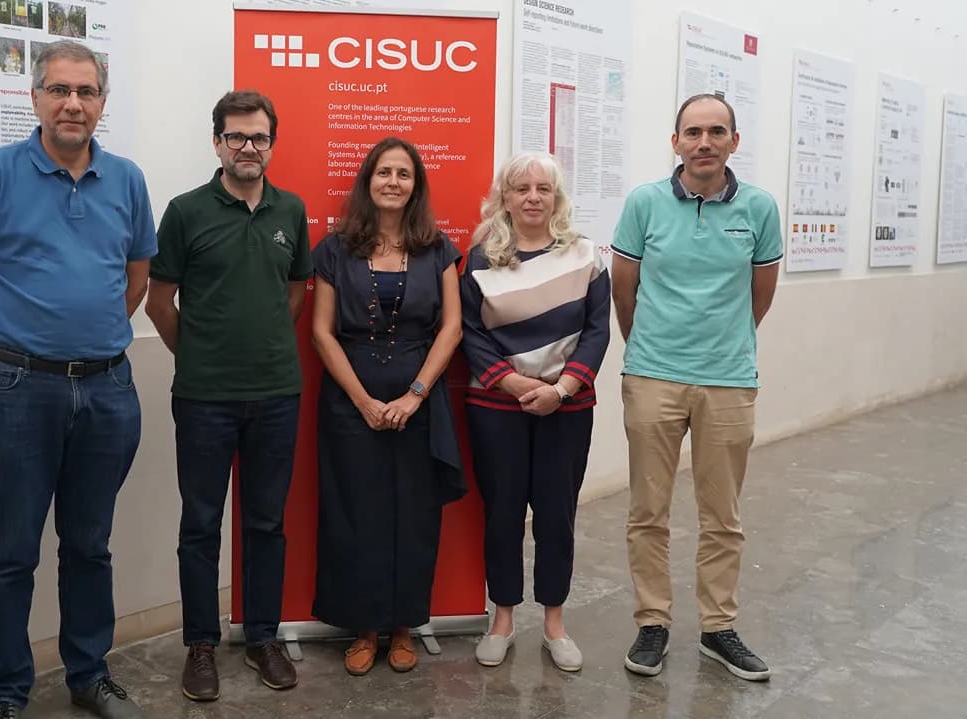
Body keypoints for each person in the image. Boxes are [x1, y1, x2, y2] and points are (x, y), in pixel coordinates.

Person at [0, 40, 153, 719]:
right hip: (16, 390)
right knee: (12, 550)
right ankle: (4, 690)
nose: (73, 103)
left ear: (102, 104)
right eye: (59, 90)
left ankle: (89, 674)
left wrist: (87, 338)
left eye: (86, 92)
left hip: (108, 390)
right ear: (34, 99)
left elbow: (136, 277)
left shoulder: (128, 181)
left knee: (90, 544)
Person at [145, 90, 310, 702]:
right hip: (204, 399)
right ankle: (201, 646)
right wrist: (201, 358)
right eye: (236, 136)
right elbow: (160, 303)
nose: (248, 147)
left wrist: (260, 345)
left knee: (266, 522)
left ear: (271, 143)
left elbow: (295, 294)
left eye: (259, 137)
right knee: (201, 524)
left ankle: (263, 637)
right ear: (217, 141)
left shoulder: (290, 211)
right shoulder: (186, 211)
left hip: (275, 394)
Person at [611, 93, 782, 682]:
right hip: (653, 376)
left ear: (735, 141)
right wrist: (650, 349)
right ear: (676, 140)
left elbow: (760, 295)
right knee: (648, 511)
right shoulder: (645, 203)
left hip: (728, 380)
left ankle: (718, 627)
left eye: (716, 132)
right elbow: (624, 290)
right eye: (692, 132)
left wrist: (723, 343)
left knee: (722, 515)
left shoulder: (760, 208)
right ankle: (653, 622)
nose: (703, 142)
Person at [309, 137, 465, 676]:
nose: (393, 182)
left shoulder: (438, 249)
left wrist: (413, 395)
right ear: (367, 182)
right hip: (351, 406)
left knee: (413, 517)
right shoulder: (334, 249)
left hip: (420, 405)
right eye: (383, 172)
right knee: (357, 516)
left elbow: (451, 327)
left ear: (415, 185)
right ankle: (364, 628)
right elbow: (321, 332)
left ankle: (403, 628)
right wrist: (364, 401)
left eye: (403, 173)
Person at [459, 152, 610, 671]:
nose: (532, 198)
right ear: (504, 196)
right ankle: (502, 618)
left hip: (566, 409)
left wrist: (562, 390)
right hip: (497, 408)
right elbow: (471, 334)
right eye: (521, 188)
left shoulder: (586, 255)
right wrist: (518, 384)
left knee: (556, 515)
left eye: (543, 189)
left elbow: (597, 331)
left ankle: (554, 622)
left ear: (557, 197)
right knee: (501, 513)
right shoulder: (479, 257)